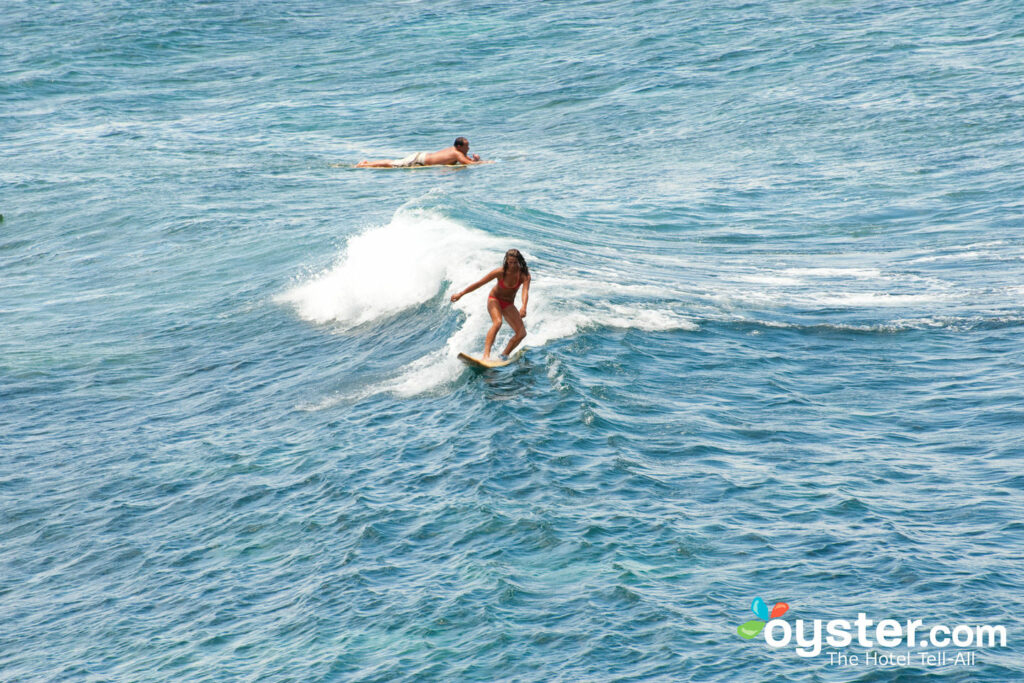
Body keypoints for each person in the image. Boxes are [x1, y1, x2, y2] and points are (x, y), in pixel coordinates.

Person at [450, 249, 531, 360]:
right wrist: (461, 294)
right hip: (494, 299)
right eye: (510, 262)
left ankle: (504, 355)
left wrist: (524, 306)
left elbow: (525, 291)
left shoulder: (524, 275)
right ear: (506, 261)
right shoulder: (500, 272)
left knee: (521, 333)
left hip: (508, 304)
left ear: (519, 261)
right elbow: (479, 283)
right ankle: (486, 356)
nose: (512, 265)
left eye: (515, 262)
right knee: (497, 322)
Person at [356, 137, 485, 168]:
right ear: (459, 146)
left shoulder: (457, 152)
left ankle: (368, 163)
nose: (468, 148)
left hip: (420, 157)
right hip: (418, 159)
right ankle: (365, 165)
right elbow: (469, 163)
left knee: (393, 163)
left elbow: (467, 160)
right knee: (392, 164)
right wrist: (483, 162)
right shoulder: (457, 153)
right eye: (467, 146)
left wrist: (475, 160)